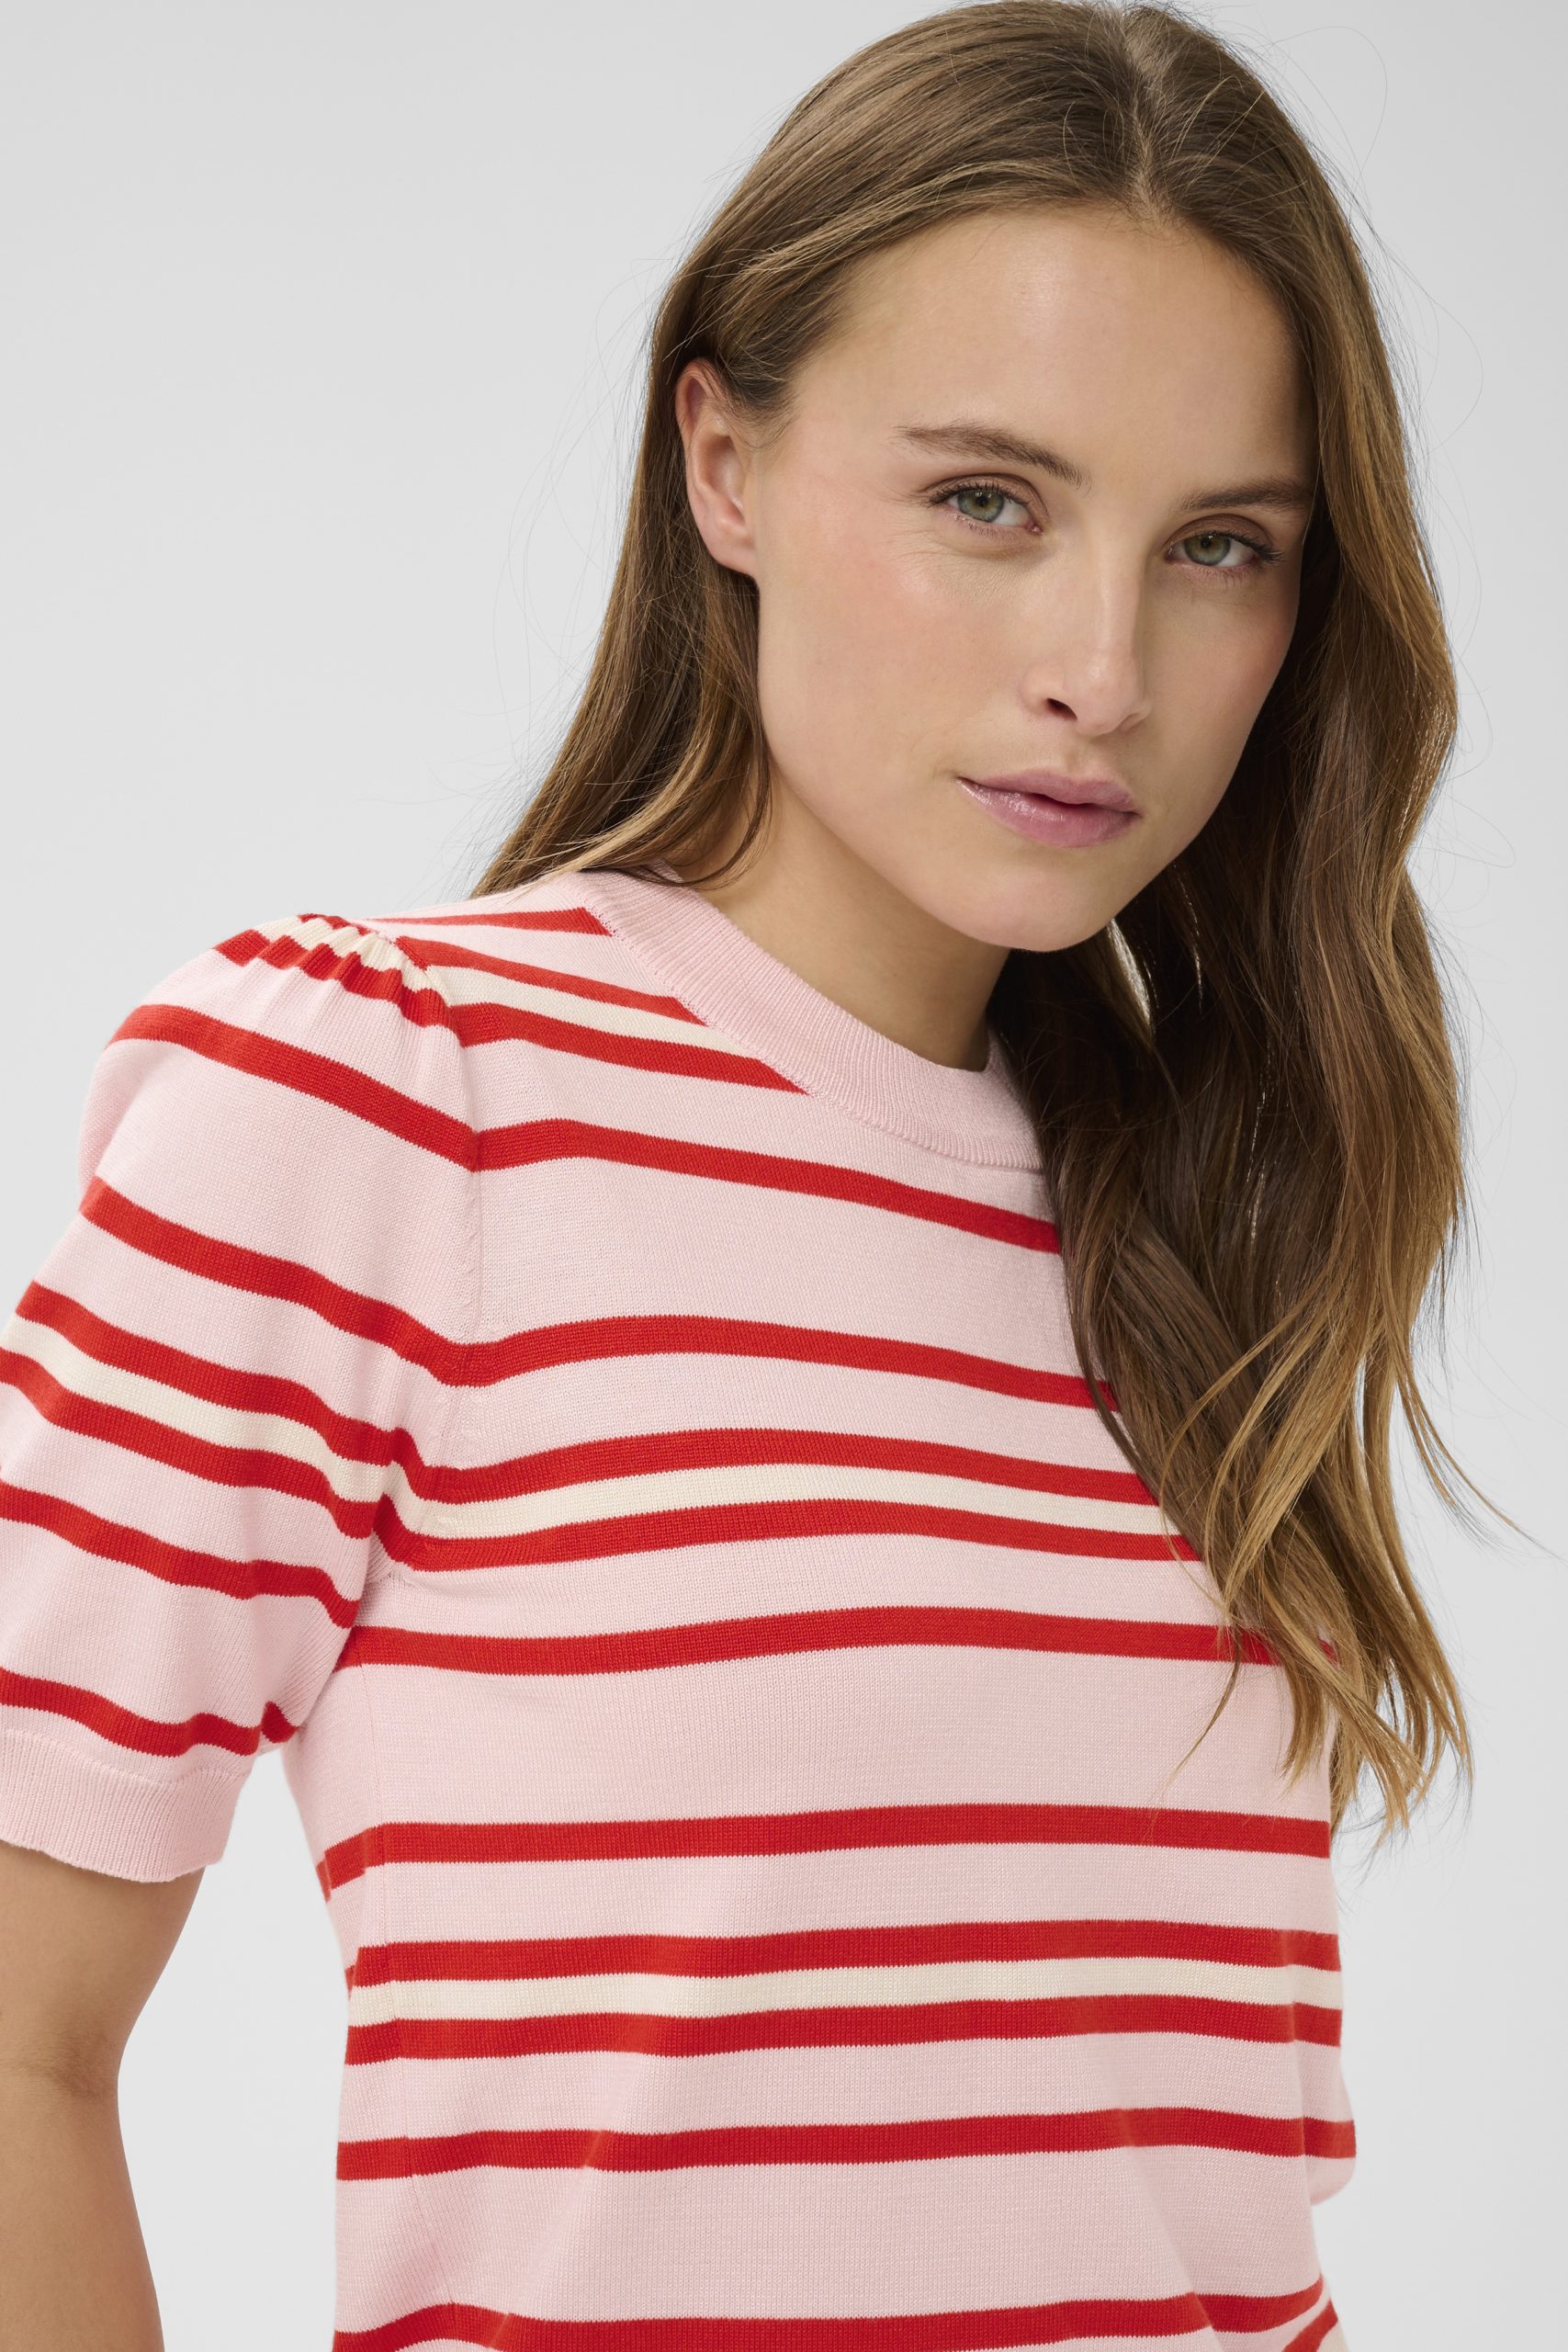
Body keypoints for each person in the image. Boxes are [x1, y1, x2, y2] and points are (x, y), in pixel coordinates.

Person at [0, 3, 1504, 2344]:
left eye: (1218, 546)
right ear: (722, 460)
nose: (1099, 667)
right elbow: (24, 2043)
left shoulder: (1195, 1203)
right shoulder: (383, 1093)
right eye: (985, 499)